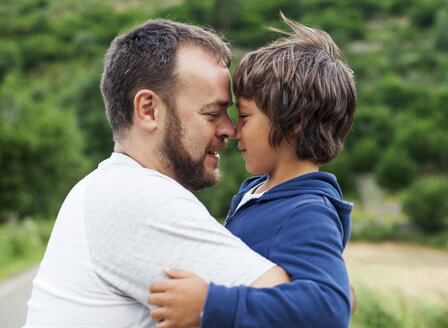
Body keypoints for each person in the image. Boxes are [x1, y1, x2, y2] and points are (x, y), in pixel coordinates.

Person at [24, 19, 290, 328]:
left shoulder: (102, 187)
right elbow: (304, 315)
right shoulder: (137, 197)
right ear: (149, 110)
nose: (230, 129)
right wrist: (336, 292)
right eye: (212, 113)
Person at [148, 14, 357, 328]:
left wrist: (210, 304)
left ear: (295, 121)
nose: (233, 130)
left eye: (244, 116)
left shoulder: (307, 211)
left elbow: (330, 308)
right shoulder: (258, 191)